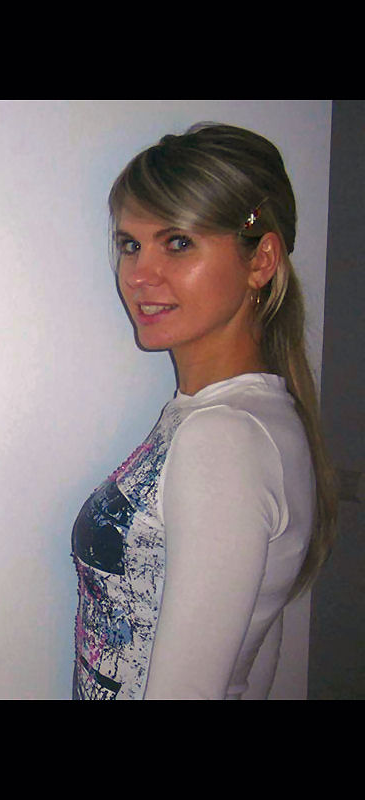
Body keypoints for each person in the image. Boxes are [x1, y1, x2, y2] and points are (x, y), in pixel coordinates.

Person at [71, 122, 337, 700]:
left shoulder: (224, 436)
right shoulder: (237, 417)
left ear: (261, 260)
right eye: (130, 244)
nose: (139, 275)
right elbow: (256, 658)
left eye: (177, 243)